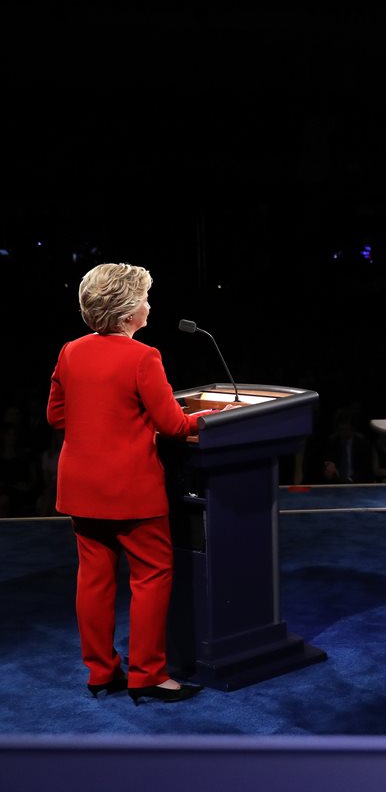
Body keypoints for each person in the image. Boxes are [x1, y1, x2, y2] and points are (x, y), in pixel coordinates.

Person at [47, 263, 221, 703]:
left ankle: (100, 672)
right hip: (130, 490)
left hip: (81, 486)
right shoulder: (144, 356)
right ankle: (148, 675)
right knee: (151, 575)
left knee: (94, 578)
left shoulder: (70, 351)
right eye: (144, 297)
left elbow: (56, 416)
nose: (149, 305)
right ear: (127, 311)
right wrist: (213, 417)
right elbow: (174, 425)